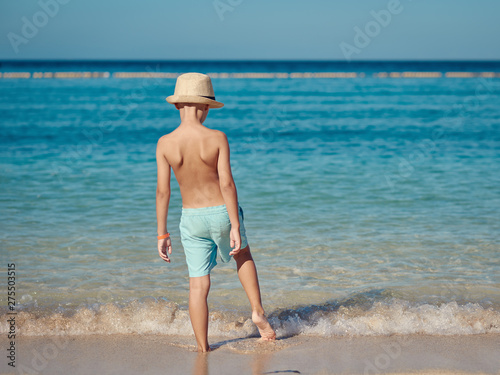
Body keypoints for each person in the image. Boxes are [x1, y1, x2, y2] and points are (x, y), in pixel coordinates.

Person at [156, 73, 276, 352]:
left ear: (177, 105)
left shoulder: (165, 143)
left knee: (198, 286)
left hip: (191, 218)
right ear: (205, 107)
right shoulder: (217, 138)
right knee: (242, 254)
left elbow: (163, 192)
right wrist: (234, 224)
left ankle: (203, 347)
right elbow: (226, 183)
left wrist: (162, 232)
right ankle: (257, 311)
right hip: (221, 212)